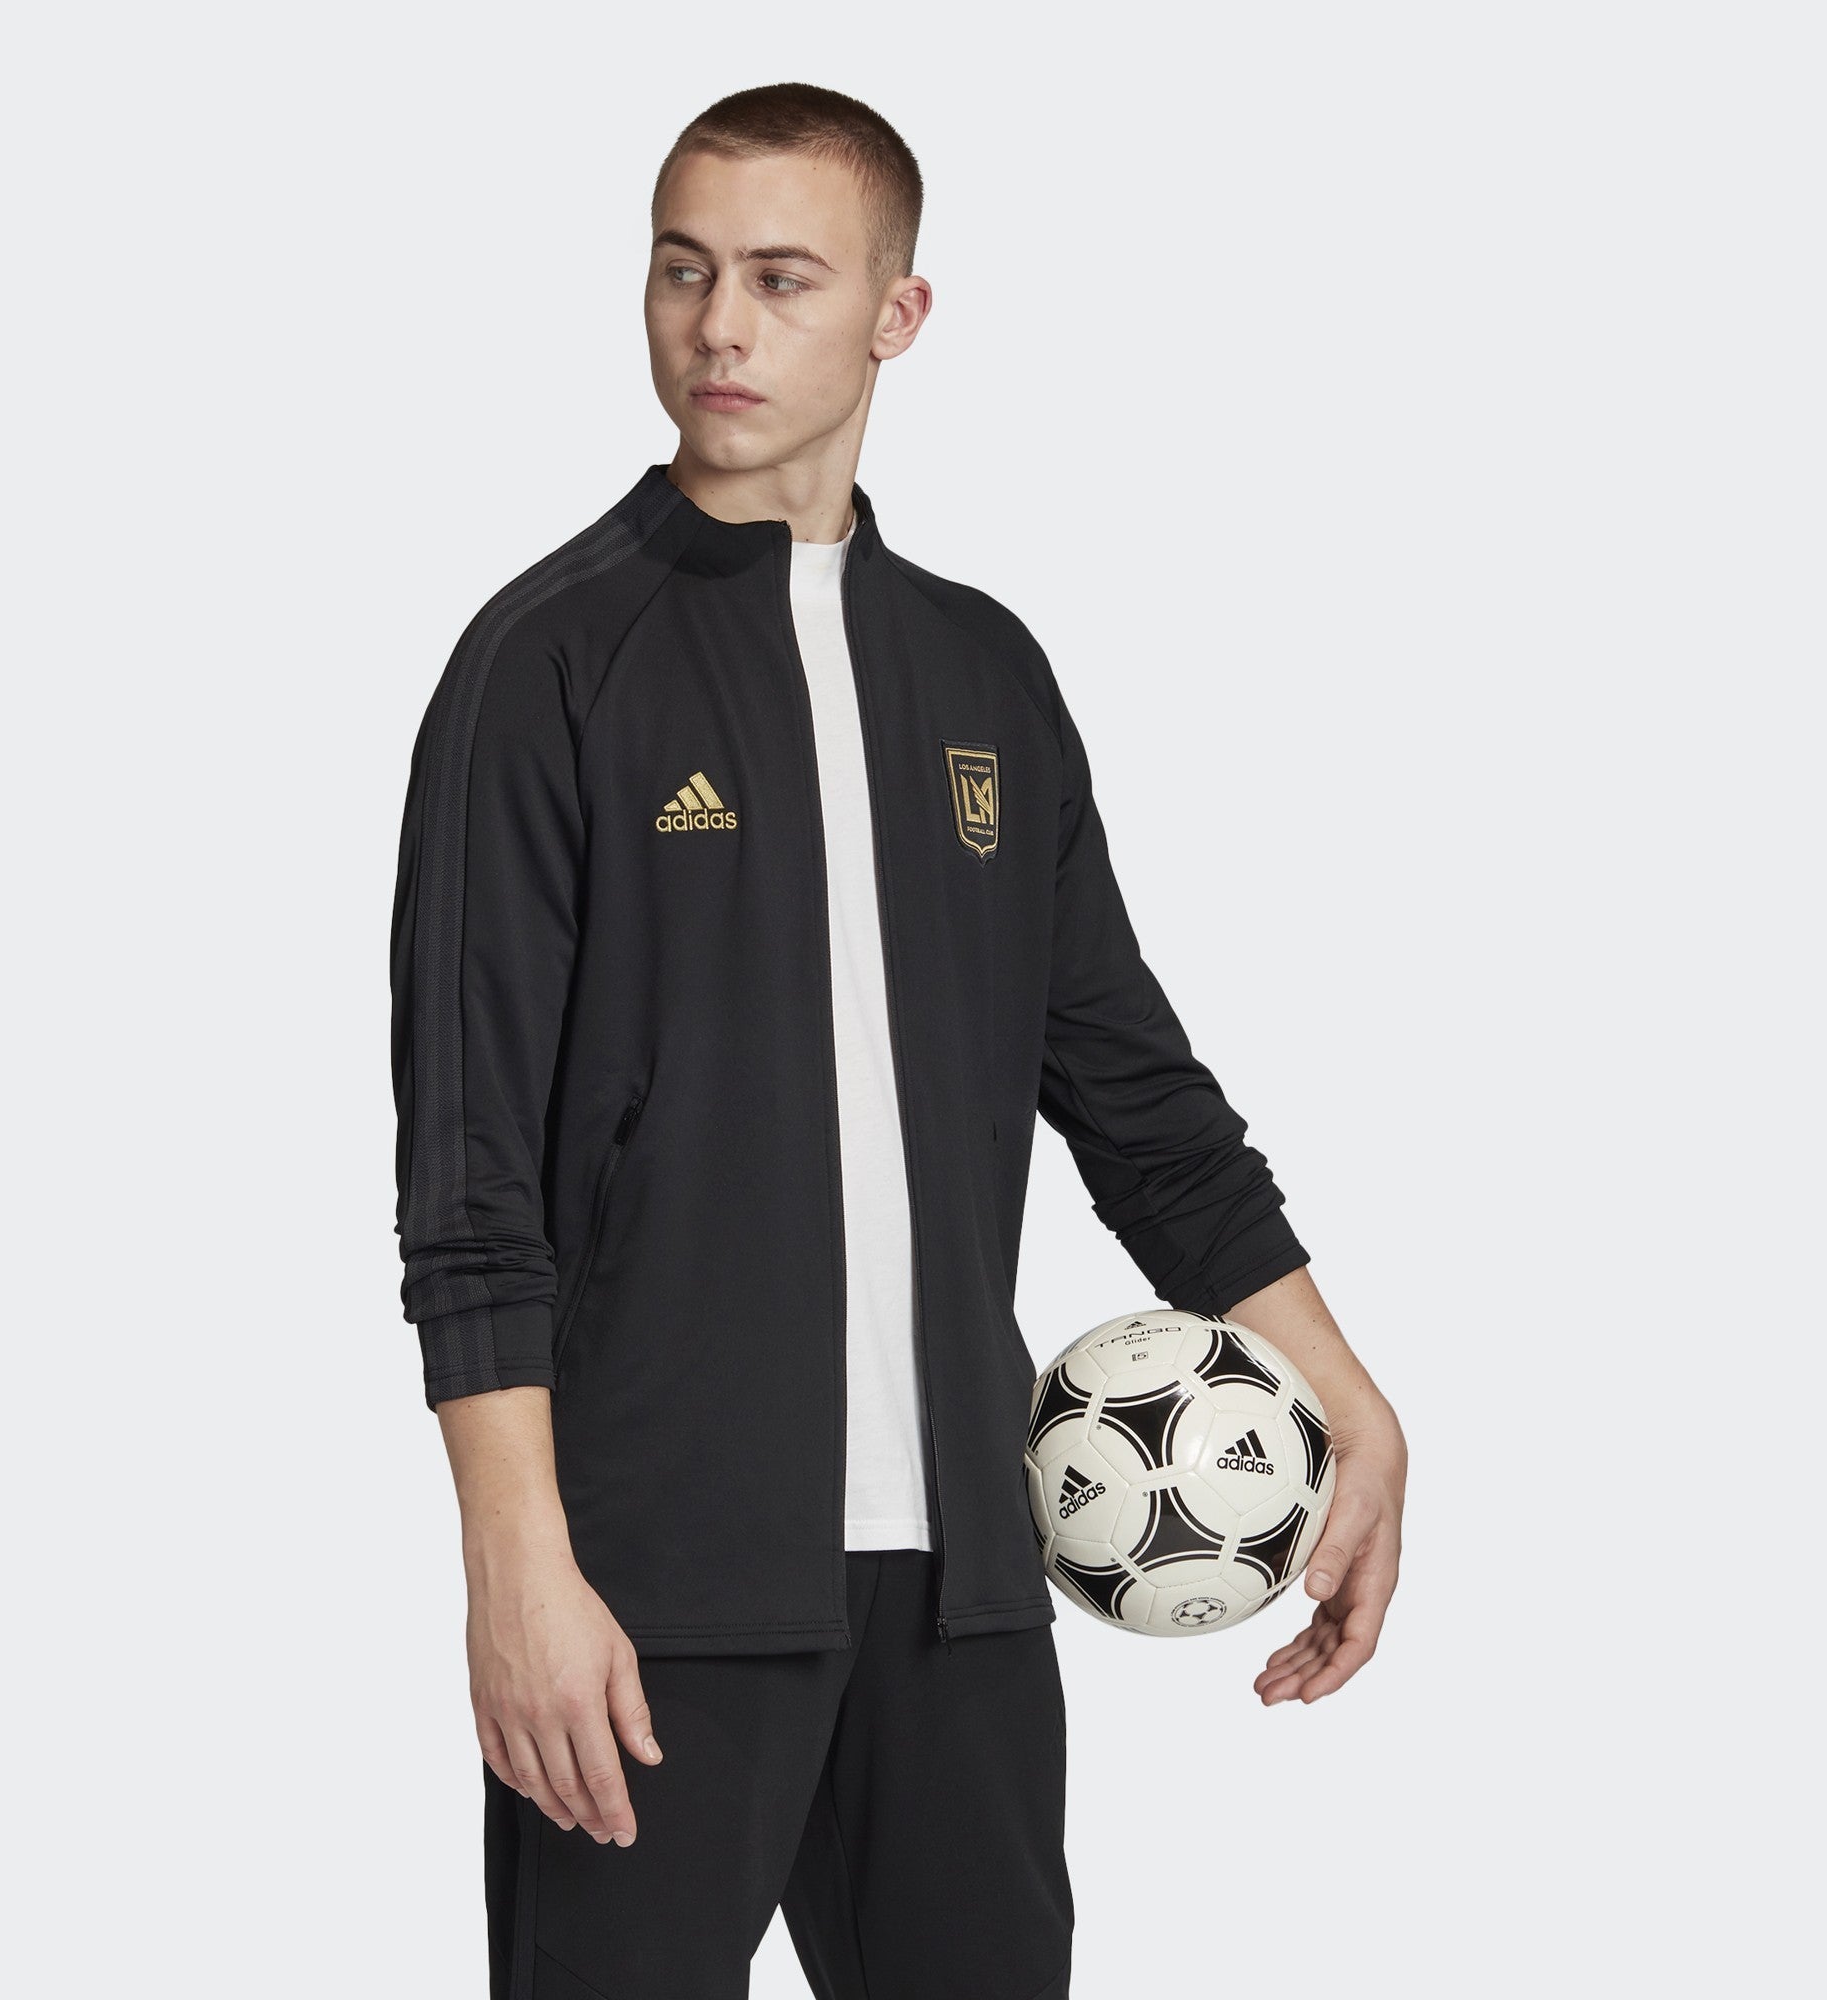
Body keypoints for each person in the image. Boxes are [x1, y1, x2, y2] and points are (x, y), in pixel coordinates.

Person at [390, 81, 1408, 2000]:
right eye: (683, 271)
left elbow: (1139, 1104)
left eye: (782, 278)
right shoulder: (546, 665)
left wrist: (1350, 1399)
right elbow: (469, 1178)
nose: (719, 326)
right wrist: (516, 1569)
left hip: (967, 1585)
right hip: (653, 1585)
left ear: (897, 313)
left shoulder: (983, 674)